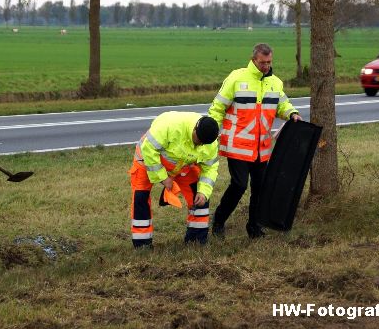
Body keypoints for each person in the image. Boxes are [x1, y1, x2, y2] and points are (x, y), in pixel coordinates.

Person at [208, 43, 302, 239]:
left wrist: (292, 113)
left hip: (262, 147)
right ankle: (218, 220)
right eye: (262, 63)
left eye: (269, 62)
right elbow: (217, 108)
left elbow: (282, 104)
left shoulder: (275, 83)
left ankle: (254, 227)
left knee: (260, 188)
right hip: (237, 145)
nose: (266, 66)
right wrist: (211, 133)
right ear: (253, 60)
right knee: (240, 185)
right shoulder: (236, 77)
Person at [129, 111, 220, 248]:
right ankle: (142, 245)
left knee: (199, 197)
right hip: (147, 161)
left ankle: (196, 240)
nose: (200, 145)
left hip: (182, 166)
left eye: (203, 143)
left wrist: (204, 192)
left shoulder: (209, 143)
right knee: (140, 199)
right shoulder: (170, 125)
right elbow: (149, 149)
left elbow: (210, 168)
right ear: (195, 128)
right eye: (198, 140)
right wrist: (163, 178)